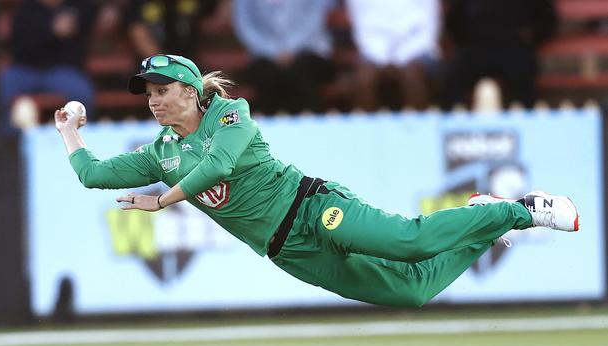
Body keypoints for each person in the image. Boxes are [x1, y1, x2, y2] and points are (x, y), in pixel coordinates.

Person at [55, 54, 580, 307]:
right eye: (146, 91)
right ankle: (485, 221)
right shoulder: (160, 153)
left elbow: (216, 167)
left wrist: (164, 201)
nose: (151, 99)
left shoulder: (230, 115)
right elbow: (93, 176)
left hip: (312, 208)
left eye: (160, 88)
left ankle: (523, 210)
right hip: (289, 251)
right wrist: (69, 134)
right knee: (411, 294)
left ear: (190, 91)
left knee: (410, 242)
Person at [0, 0, 98, 129]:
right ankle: (4, 139)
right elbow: (20, 48)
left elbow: (95, 14)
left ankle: (77, 142)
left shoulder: (78, 7)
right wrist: (51, 31)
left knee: (82, 94)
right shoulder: (26, 10)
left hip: (62, 71)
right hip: (24, 70)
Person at [442, 0, 557, 109]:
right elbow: (454, 21)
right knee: (453, 76)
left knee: (524, 77)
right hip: (475, 48)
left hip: (514, 48)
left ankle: (525, 121)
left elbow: (547, 19)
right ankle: (452, 122)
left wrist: (532, 34)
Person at [232, 0, 337, 114]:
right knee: (265, 76)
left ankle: (309, 124)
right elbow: (245, 26)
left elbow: (316, 17)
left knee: (302, 73)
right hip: (264, 54)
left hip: (310, 49)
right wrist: (275, 51)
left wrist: (289, 48)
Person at [345, 0, 440, 111]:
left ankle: (418, 126)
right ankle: (365, 127)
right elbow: (362, 26)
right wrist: (383, 58)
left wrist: (401, 57)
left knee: (412, 76)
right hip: (374, 50)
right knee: (364, 78)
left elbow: (428, 28)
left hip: (417, 50)